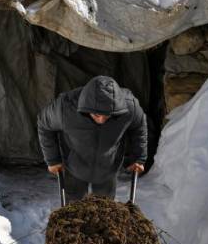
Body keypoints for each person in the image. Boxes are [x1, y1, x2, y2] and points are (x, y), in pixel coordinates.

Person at [36, 75, 147, 203]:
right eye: (97, 115)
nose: (101, 120)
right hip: (75, 165)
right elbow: (44, 124)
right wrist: (53, 159)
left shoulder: (129, 106)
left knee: (105, 209)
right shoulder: (66, 107)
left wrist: (138, 157)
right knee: (73, 208)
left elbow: (139, 125)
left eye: (108, 116)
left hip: (108, 166)